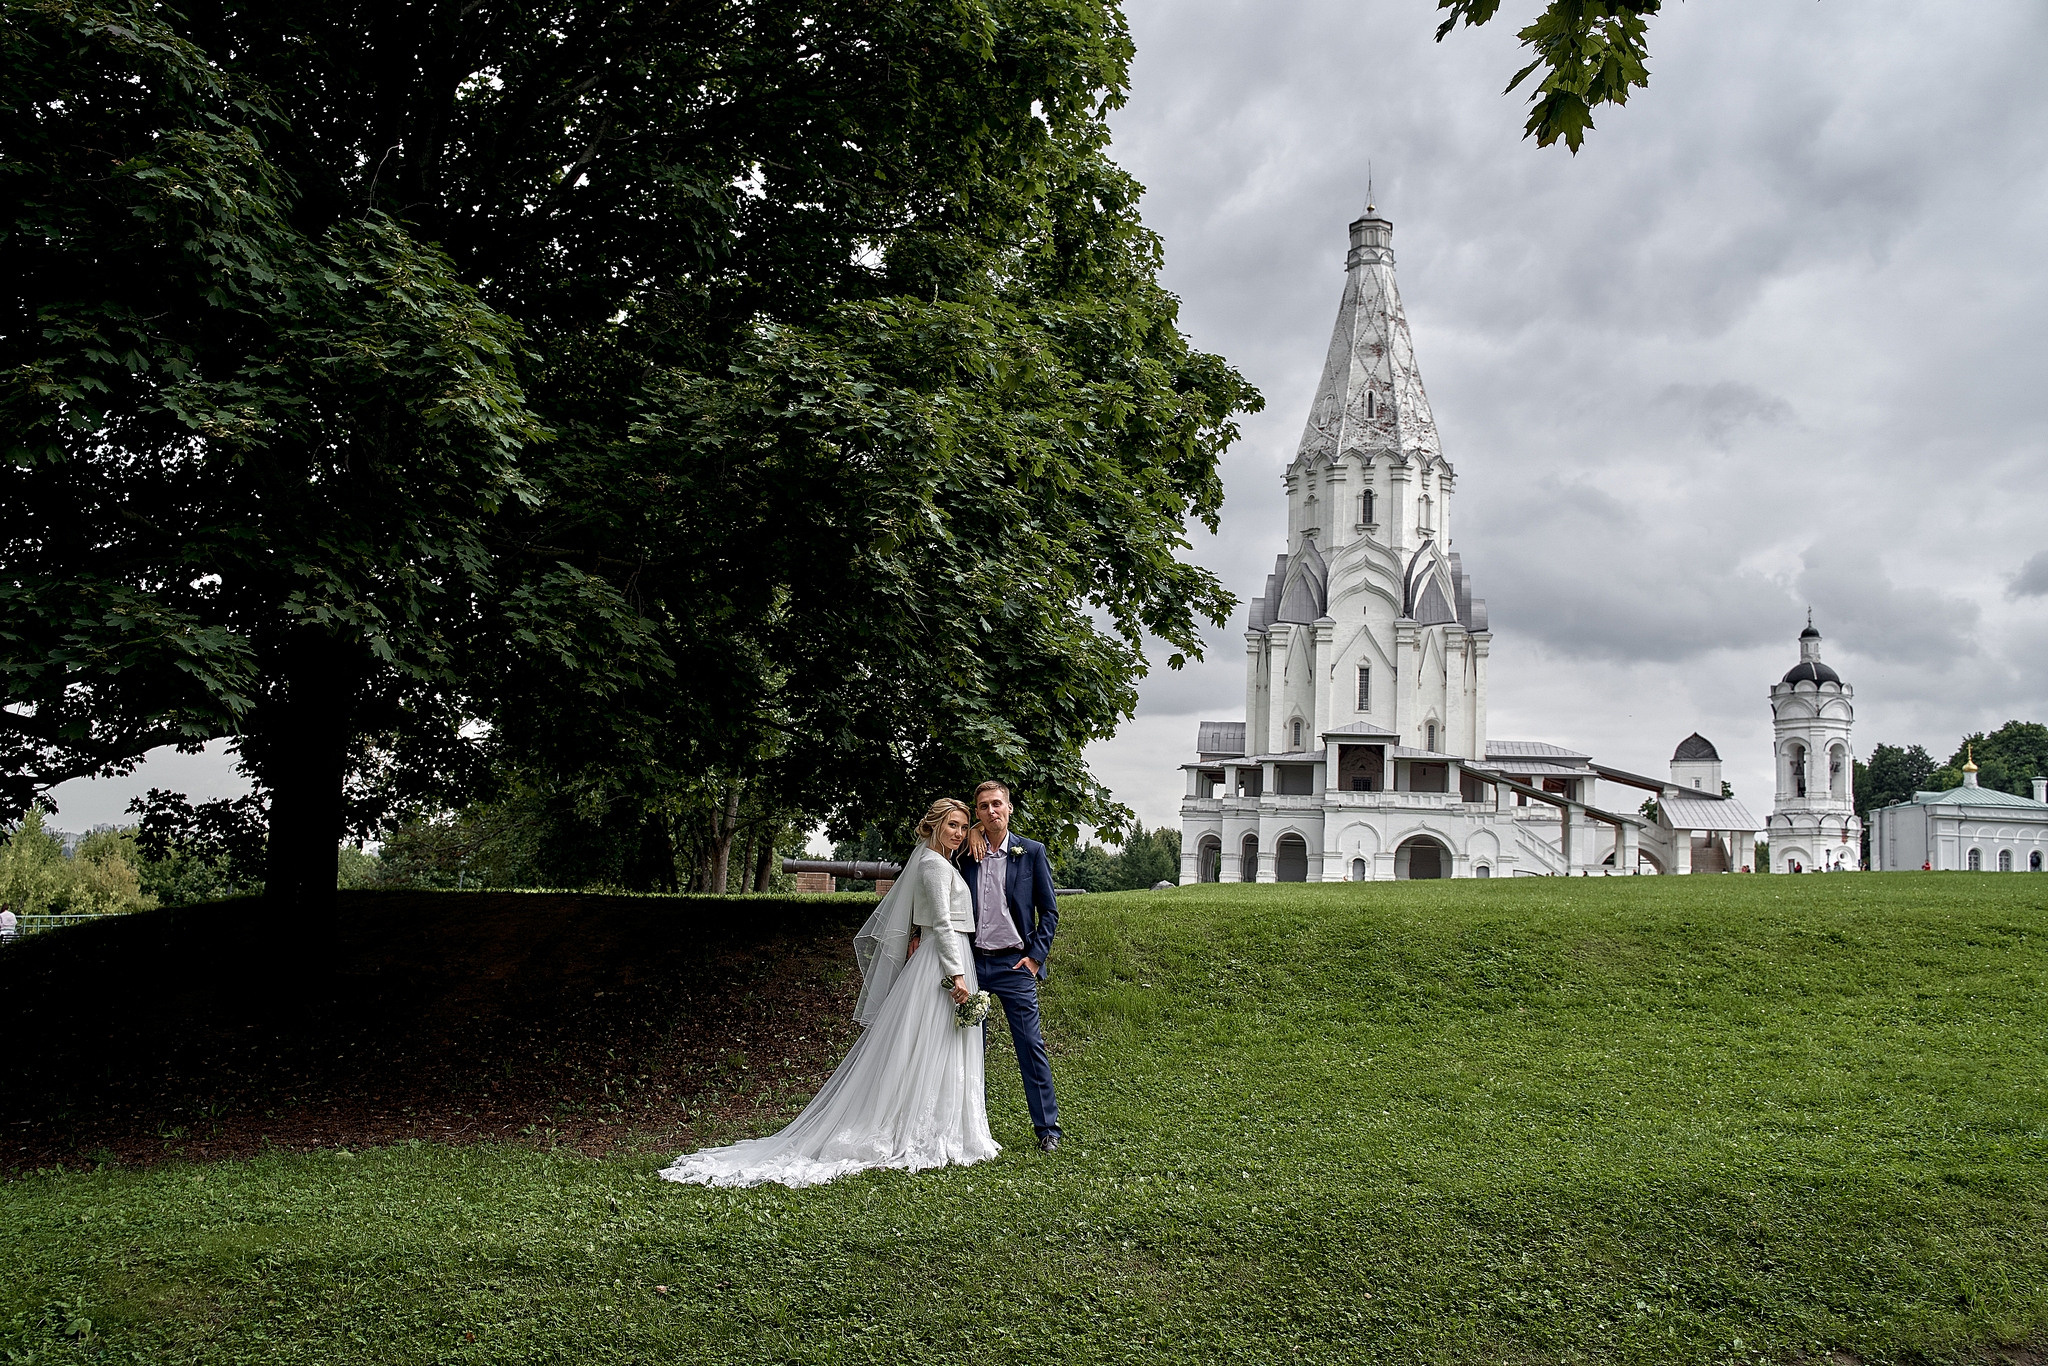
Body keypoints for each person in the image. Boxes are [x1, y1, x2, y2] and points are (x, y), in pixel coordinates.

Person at [660, 798, 997, 1188]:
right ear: (935, 827)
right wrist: (957, 975)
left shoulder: (940, 861)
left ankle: (937, 1122)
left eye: (962, 826)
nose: (958, 832)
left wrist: (974, 832)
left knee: (938, 1044)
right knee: (929, 1043)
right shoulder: (933, 866)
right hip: (943, 962)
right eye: (951, 825)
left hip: (945, 955)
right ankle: (919, 1129)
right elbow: (939, 921)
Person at [955, 780, 1062, 1152]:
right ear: (977, 813)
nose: (991, 811)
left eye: (997, 804)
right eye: (982, 807)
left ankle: (1047, 1129)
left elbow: (1049, 911)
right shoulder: (966, 855)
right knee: (968, 1046)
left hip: (1015, 964)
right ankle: (968, 1126)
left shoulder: (1030, 852)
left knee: (1030, 1045)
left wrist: (1034, 958)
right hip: (973, 963)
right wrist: (969, 833)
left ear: (1010, 808)